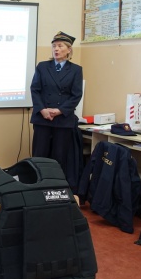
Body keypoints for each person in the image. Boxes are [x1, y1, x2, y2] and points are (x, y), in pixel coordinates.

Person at [30, 31, 83, 190]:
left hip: (63, 119)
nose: (56, 49)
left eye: (60, 46)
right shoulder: (42, 66)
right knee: (39, 155)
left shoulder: (76, 70)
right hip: (43, 118)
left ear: (69, 50)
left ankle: (55, 188)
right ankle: (37, 188)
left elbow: (76, 95)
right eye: (54, 46)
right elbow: (35, 90)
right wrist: (42, 110)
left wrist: (60, 110)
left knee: (59, 157)